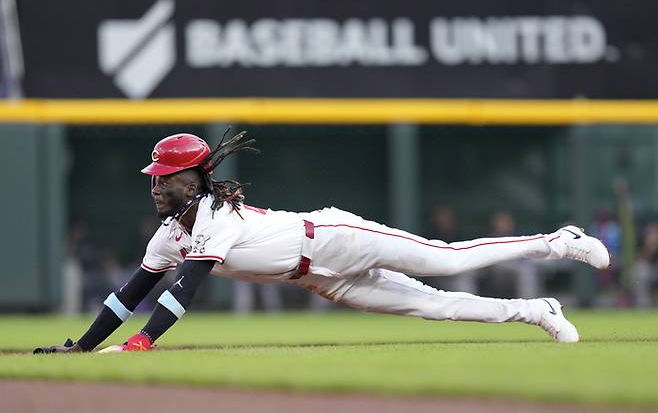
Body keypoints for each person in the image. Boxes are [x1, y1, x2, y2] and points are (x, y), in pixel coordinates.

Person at [34, 131, 611, 354]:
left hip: (335, 238)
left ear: (195, 178)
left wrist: (143, 344)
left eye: (165, 176)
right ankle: (537, 311)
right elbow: (129, 291)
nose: (156, 185)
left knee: (447, 259)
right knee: (435, 306)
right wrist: (84, 347)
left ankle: (558, 240)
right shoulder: (168, 235)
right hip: (318, 279)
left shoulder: (218, 214)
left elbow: (185, 287)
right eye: (155, 178)